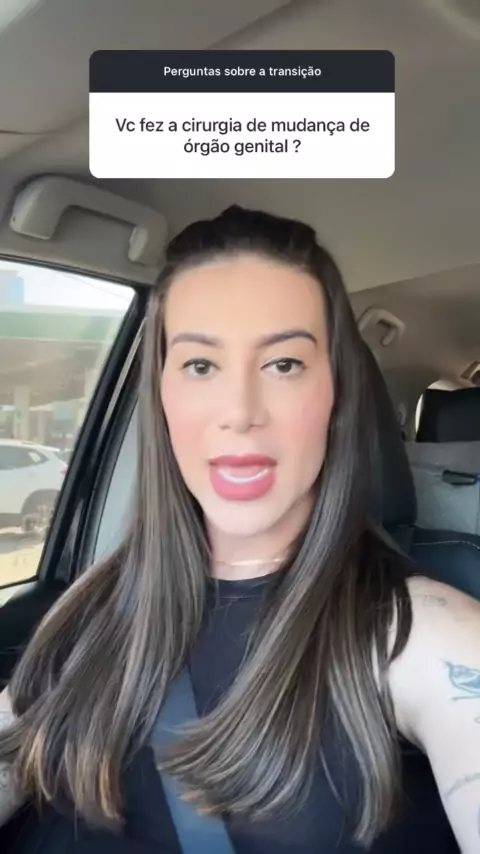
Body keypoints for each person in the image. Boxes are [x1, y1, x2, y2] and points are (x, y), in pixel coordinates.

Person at [0, 205, 478, 853]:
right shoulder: (91, 610)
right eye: (201, 365)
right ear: (161, 395)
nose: (240, 412)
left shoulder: (418, 634)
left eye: (283, 364)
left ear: (336, 393)